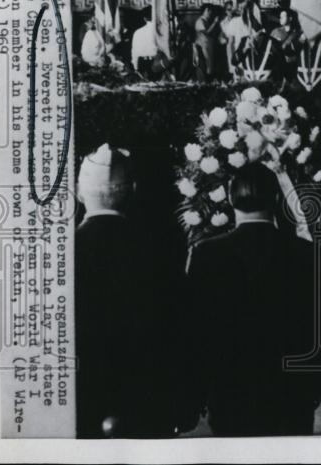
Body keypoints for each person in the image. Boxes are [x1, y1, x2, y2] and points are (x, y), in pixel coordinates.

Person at [186, 164, 321, 436]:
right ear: (276, 199)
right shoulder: (307, 254)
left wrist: (199, 392)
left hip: (229, 394)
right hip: (292, 395)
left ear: (229, 196)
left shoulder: (207, 254)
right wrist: (313, 388)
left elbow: (195, 330)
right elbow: (320, 327)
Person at [75, 144, 190, 437]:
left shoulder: (60, 254)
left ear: (78, 192)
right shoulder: (161, 252)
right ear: (133, 189)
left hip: (81, 406)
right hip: (148, 406)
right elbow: (180, 330)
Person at [130, 7, 160, 77]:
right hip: (156, 62)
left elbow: (135, 51)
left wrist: (135, 68)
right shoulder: (160, 32)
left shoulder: (137, 32)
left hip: (142, 63)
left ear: (144, 18)